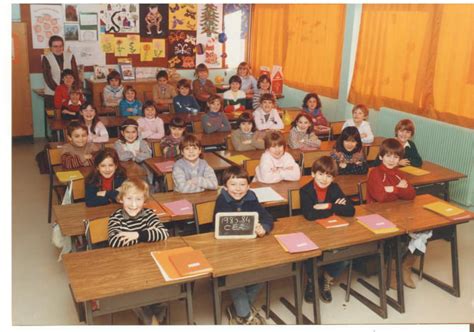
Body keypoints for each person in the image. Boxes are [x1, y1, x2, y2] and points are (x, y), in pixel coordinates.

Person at [214, 166, 273, 325]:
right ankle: (244, 314)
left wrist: (263, 228)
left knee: (264, 272)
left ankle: (237, 309)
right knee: (236, 277)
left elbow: (267, 217)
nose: (238, 189)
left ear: (248, 186)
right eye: (233, 185)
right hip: (228, 249)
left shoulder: (252, 197)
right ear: (225, 186)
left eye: (242, 185)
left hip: (251, 247)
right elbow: (225, 226)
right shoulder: (222, 200)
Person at [108, 178, 169, 324]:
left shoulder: (149, 214)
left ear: (144, 201)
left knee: (163, 289)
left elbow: (163, 233)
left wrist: (136, 235)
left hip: (150, 264)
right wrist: (148, 234)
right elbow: (115, 241)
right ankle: (154, 322)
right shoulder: (116, 217)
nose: (134, 204)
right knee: (135, 294)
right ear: (121, 199)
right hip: (127, 267)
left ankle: (156, 320)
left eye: (138, 199)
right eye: (129, 199)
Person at [300, 156, 355, 303]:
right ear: (313, 174)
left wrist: (327, 206)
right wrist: (336, 207)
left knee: (347, 251)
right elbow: (310, 215)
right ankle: (312, 281)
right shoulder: (305, 190)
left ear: (333, 178)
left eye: (329, 176)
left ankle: (327, 278)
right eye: (320, 174)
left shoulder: (334, 188)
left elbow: (350, 210)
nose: (324, 179)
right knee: (311, 253)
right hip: (311, 231)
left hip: (332, 230)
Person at [367, 138, 419, 289]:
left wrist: (391, 189)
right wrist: (398, 189)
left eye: (396, 157)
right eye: (388, 156)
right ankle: (391, 272)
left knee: (422, 232)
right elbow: (381, 197)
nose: (392, 160)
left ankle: (405, 267)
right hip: (376, 216)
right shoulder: (375, 173)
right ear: (381, 156)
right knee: (399, 238)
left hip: (396, 213)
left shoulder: (399, 174)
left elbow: (411, 194)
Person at [42, 35, 78, 109]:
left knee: (69, 116)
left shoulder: (70, 56)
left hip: (69, 93)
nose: (58, 48)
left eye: (61, 46)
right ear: (50, 47)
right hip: (52, 93)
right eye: (55, 46)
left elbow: (75, 74)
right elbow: (48, 78)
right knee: (54, 118)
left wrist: (72, 90)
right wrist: (60, 91)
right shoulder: (46, 58)